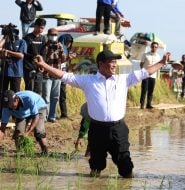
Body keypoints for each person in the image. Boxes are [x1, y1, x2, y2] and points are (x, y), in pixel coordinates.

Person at [34, 49, 169, 178]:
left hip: (118, 129)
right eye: (112, 62)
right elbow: (65, 76)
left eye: (115, 62)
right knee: (96, 166)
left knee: (126, 166)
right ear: (101, 64)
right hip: (97, 130)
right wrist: (44, 65)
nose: (114, 65)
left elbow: (146, 72)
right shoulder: (88, 81)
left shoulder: (124, 79)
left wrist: (162, 62)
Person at [0, 90, 48, 155]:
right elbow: (2, 129)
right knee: (18, 133)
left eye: (10, 104)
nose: (9, 107)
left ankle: (45, 152)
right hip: (21, 114)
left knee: (39, 131)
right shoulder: (6, 107)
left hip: (39, 107)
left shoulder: (28, 98)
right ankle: (21, 153)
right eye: (7, 105)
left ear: (16, 99)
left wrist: (27, 132)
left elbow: (36, 117)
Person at [41, 28, 66, 123]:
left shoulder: (59, 45)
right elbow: (43, 60)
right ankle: (45, 117)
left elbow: (63, 59)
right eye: (52, 34)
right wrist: (50, 51)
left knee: (55, 96)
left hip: (57, 74)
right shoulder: (45, 46)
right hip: (47, 74)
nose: (54, 36)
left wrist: (60, 50)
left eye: (56, 34)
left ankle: (52, 116)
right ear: (48, 35)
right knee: (46, 97)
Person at [23, 18, 46, 95]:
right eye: (39, 27)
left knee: (38, 92)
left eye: (42, 28)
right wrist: (34, 57)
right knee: (29, 91)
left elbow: (44, 54)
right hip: (29, 68)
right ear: (35, 26)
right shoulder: (27, 38)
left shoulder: (43, 38)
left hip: (39, 69)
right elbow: (24, 53)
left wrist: (42, 65)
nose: (40, 29)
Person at [0, 28, 27, 93]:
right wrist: (4, 38)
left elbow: (21, 55)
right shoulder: (6, 42)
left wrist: (7, 51)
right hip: (5, 72)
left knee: (15, 93)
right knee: (2, 92)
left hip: (16, 73)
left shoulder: (22, 42)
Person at [140, 42, 161, 109]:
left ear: (157, 48)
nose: (154, 48)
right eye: (153, 46)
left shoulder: (158, 56)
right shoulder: (145, 55)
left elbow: (158, 66)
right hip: (145, 74)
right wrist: (143, 71)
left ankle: (148, 104)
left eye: (155, 47)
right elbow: (141, 64)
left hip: (153, 75)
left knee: (151, 91)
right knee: (144, 90)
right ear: (150, 47)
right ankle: (142, 105)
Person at [58, 34, 74, 118]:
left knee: (63, 95)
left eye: (70, 42)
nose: (69, 44)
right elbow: (60, 61)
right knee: (54, 96)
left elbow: (65, 64)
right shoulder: (59, 48)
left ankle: (64, 114)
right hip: (56, 75)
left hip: (64, 75)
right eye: (68, 42)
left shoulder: (67, 50)